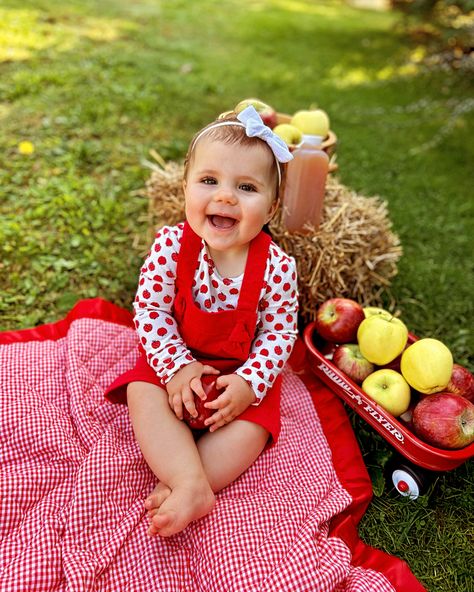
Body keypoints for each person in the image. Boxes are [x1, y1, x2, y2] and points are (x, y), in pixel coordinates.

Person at [105, 106, 299, 537]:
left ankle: (188, 481)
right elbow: (151, 311)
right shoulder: (171, 246)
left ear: (272, 207)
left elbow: (280, 332)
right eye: (209, 181)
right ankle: (188, 480)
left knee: (253, 429)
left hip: (238, 374)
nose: (225, 196)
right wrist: (175, 367)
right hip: (176, 361)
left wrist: (250, 383)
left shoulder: (278, 267)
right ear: (186, 187)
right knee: (142, 390)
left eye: (246, 187)